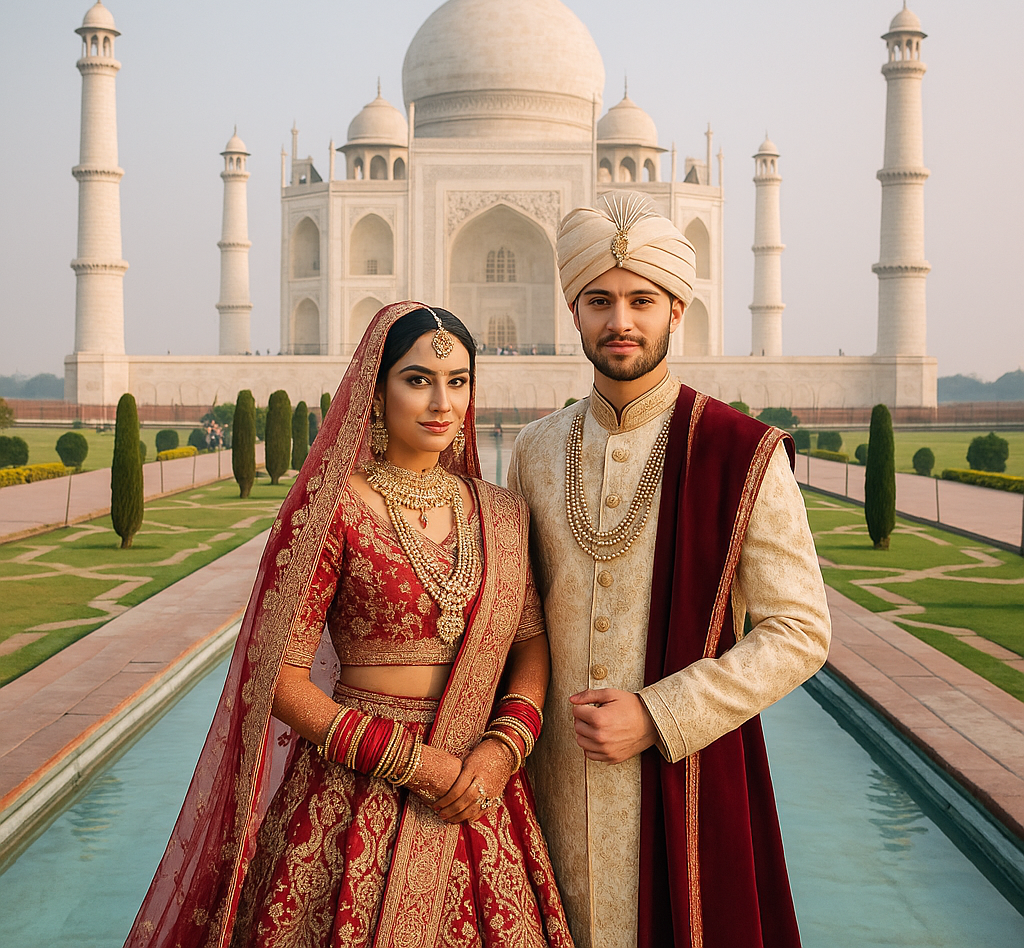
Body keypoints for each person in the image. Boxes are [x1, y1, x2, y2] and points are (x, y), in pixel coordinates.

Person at [126, 302, 573, 948]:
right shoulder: (333, 509)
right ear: (376, 389)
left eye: (457, 381)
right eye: (418, 379)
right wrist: (417, 765)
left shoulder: (500, 515)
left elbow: (531, 645)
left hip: (477, 791)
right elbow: (279, 679)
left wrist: (503, 749)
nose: (441, 402)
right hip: (353, 797)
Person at [507, 195, 831, 948]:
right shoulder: (536, 450)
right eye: (600, 300)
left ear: (676, 310)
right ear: (574, 312)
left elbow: (801, 630)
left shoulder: (737, 450)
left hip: (682, 776)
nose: (621, 319)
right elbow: (511, 613)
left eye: (641, 300)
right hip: (548, 785)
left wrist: (657, 714)